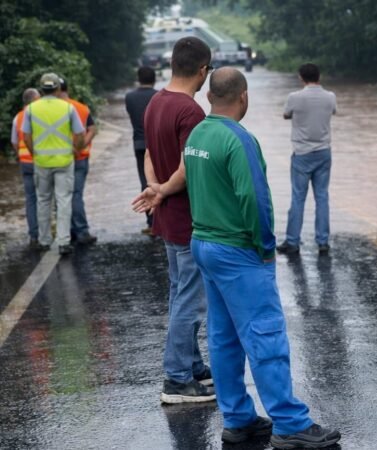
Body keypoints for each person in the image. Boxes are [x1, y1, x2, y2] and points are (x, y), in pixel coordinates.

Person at [185, 67, 341, 449]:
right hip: (238, 250)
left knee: (223, 338)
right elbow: (255, 199)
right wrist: (266, 248)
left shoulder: (197, 134)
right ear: (244, 97)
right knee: (265, 333)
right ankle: (290, 424)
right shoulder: (239, 140)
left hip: (203, 243)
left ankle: (238, 419)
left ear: (209, 97)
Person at [131, 37, 215, 403]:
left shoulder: (155, 103)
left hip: (166, 218)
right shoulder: (190, 111)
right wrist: (164, 190)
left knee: (179, 292)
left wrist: (154, 187)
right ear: (202, 70)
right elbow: (188, 166)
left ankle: (193, 365)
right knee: (191, 300)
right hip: (186, 219)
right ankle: (177, 379)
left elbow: (150, 153)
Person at [275, 63, 337, 255]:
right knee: (322, 197)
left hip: (302, 153)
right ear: (319, 76)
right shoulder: (330, 97)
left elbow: (286, 115)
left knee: (298, 198)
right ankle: (323, 242)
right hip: (324, 152)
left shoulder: (295, 97)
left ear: (301, 77)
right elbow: (332, 112)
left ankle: (292, 241)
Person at [22, 73, 86, 255]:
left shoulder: (31, 109)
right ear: (58, 89)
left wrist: (35, 153)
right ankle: (64, 242)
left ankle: (43, 240)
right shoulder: (67, 108)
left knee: (43, 200)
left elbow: (26, 136)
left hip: (41, 161)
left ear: (42, 89)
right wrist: (76, 150)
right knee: (63, 200)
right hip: (65, 161)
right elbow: (80, 134)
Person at [58, 78, 98, 245]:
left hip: (59, 159)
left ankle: (73, 231)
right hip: (80, 158)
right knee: (75, 195)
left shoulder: (53, 109)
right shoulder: (81, 107)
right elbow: (92, 129)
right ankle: (80, 231)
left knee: (62, 196)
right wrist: (81, 147)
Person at [125, 66, 159, 234]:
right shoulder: (159, 96)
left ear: (138, 79)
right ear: (154, 79)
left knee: (145, 180)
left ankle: (151, 222)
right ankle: (162, 221)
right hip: (158, 144)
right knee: (162, 180)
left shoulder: (129, 97)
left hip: (139, 144)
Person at [10, 88, 41, 248]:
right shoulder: (38, 114)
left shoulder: (18, 117)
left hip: (25, 163)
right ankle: (44, 235)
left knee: (30, 199)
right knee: (44, 199)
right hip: (40, 162)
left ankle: (33, 235)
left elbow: (14, 141)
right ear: (35, 100)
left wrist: (21, 155)